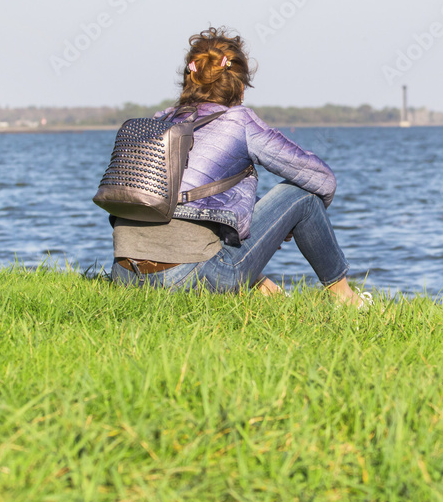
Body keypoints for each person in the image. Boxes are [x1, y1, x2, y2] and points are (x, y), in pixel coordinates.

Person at [109, 27, 370, 308]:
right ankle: (344, 297)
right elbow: (321, 178)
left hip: (124, 274)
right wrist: (299, 221)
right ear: (241, 87)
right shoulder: (239, 121)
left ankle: (259, 285)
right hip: (188, 278)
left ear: (189, 79)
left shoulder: (159, 121)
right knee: (303, 197)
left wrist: (276, 222)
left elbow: (193, 198)